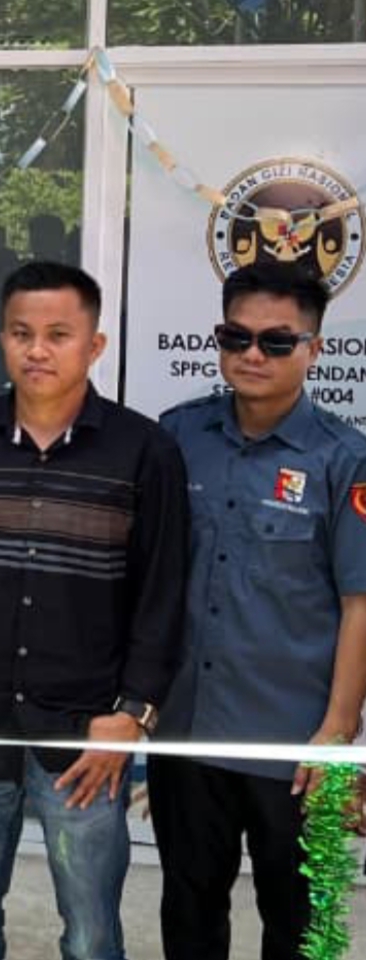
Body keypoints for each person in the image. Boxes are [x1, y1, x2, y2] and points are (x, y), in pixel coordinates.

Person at [0, 260, 189, 960]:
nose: (37, 350)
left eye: (59, 334)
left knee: (91, 935)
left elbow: (161, 596)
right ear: (1, 339)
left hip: (85, 736)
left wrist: (130, 717)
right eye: (21, 333)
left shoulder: (144, 452)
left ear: (95, 345)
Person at [149, 261, 366, 960]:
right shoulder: (177, 437)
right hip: (188, 731)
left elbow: (361, 604)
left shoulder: (345, 460)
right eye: (235, 337)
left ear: (314, 348)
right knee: (189, 917)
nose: (252, 355)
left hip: (293, 745)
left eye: (276, 341)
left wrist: (337, 734)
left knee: (300, 927)